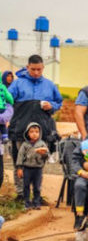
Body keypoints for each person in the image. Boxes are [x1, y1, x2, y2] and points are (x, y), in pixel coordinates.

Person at [8, 55, 62, 194]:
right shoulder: (18, 84)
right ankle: (21, 194)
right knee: (20, 162)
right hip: (20, 130)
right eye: (33, 69)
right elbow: (6, 101)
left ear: (43, 68)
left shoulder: (50, 85)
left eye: (39, 69)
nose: (36, 72)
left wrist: (51, 106)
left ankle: (35, 194)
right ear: (27, 67)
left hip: (42, 131)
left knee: (38, 163)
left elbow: (59, 103)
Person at [15, 122, 48, 210]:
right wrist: (19, 168)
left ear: (39, 133)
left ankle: (36, 202)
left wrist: (43, 154)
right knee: (26, 186)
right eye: (32, 132)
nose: (34, 134)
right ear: (27, 133)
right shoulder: (25, 145)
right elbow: (20, 156)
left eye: (37, 132)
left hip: (38, 169)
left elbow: (47, 155)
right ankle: (27, 203)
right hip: (27, 168)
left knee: (37, 186)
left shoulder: (42, 144)